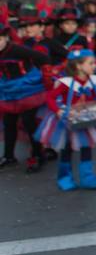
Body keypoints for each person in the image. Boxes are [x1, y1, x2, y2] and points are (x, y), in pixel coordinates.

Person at [36, 47, 96, 190]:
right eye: (90, 63)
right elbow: (50, 97)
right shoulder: (67, 82)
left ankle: (87, 178)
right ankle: (64, 178)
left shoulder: (93, 80)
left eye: (94, 63)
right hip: (68, 120)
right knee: (67, 149)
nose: (94, 66)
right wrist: (58, 110)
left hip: (87, 118)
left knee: (87, 147)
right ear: (78, 66)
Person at [0, 25, 50, 172]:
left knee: (29, 122)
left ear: (6, 38)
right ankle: (9, 156)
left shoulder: (16, 49)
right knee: (9, 122)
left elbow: (43, 57)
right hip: (8, 88)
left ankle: (38, 155)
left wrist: (46, 76)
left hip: (28, 87)